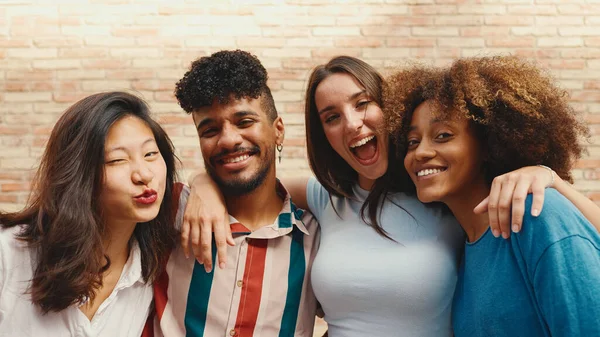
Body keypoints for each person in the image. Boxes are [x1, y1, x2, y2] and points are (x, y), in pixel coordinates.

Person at [185, 55, 600, 336]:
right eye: (331, 117)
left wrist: (550, 178)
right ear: (323, 134)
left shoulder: (445, 198)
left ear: (390, 110)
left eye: (363, 103)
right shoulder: (326, 197)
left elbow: (581, 242)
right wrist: (202, 187)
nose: (351, 124)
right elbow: (252, 176)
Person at [388, 56, 600, 336]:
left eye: (443, 136)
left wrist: (553, 179)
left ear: (488, 145)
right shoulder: (461, 248)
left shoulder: (537, 213)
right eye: (413, 142)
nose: (421, 152)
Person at [148, 50, 320, 337]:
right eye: (210, 130)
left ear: (278, 131)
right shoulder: (171, 208)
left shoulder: (318, 236)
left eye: (244, 122)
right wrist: (200, 182)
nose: (228, 139)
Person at [0, 92, 179, 337]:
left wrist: (205, 185)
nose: (144, 175)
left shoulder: (149, 273)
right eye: (117, 160)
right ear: (79, 175)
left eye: (150, 154)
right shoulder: (9, 253)